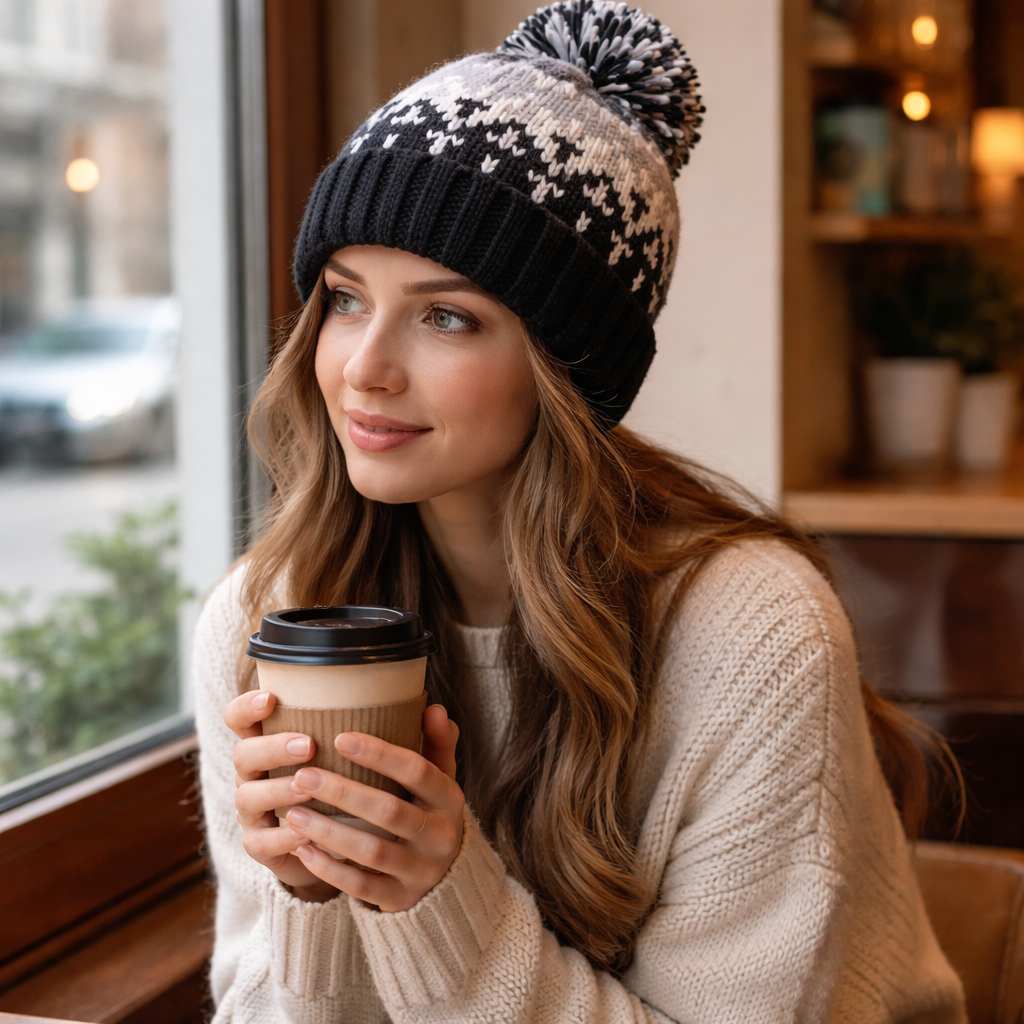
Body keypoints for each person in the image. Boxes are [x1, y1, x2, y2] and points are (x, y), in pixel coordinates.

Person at [194, 3, 966, 1021]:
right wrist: (311, 893)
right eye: (344, 298)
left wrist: (438, 900)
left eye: (445, 316)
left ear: (568, 367)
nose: (363, 368)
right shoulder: (265, 619)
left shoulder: (749, 637)